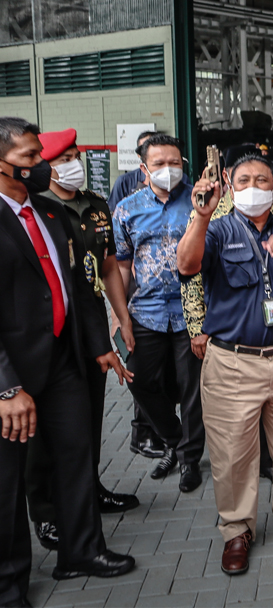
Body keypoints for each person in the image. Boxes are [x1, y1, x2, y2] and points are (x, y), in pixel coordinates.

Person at [178, 152, 273, 576]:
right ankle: (236, 530)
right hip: (233, 362)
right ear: (230, 185)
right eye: (244, 180)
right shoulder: (217, 228)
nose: (253, 187)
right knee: (233, 453)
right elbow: (187, 265)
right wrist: (201, 217)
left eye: (262, 180)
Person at [0, 117, 136, 604]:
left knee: (76, 455)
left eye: (41, 154)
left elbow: (80, 282)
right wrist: (6, 387)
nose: (42, 165)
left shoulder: (50, 212)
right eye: (29, 157)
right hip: (13, 373)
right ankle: (9, 583)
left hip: (64, 358)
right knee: (8, 482)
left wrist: (100, 344)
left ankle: (81, 550)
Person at [26, 129, 141, 553]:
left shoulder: (94, 205)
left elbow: (107, 266)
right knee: (42, 431)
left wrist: (121, 317)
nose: (74, 164)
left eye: (76, 155)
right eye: (64, 158)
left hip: (88, 325)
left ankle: (89, 490)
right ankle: (46, 511)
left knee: (87, 415)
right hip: (47, 332)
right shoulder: (37, 208)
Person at [113, 134, 205, 493]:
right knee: (139, 380)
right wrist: (120, 316)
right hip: (146, 311)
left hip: (190, 313)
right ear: (144, 168)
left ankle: (189, 459)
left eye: (175, 163)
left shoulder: (199, 204)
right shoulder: (127, 209)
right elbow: (122, 266)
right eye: (159, 164)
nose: (168, 169)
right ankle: (173, 438)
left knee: (191, 388)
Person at [106, 130, 158, 212]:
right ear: (138, 154)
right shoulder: (124, 181)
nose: (150, 153)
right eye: (145, 149)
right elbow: (113, 211)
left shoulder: (174, 180)